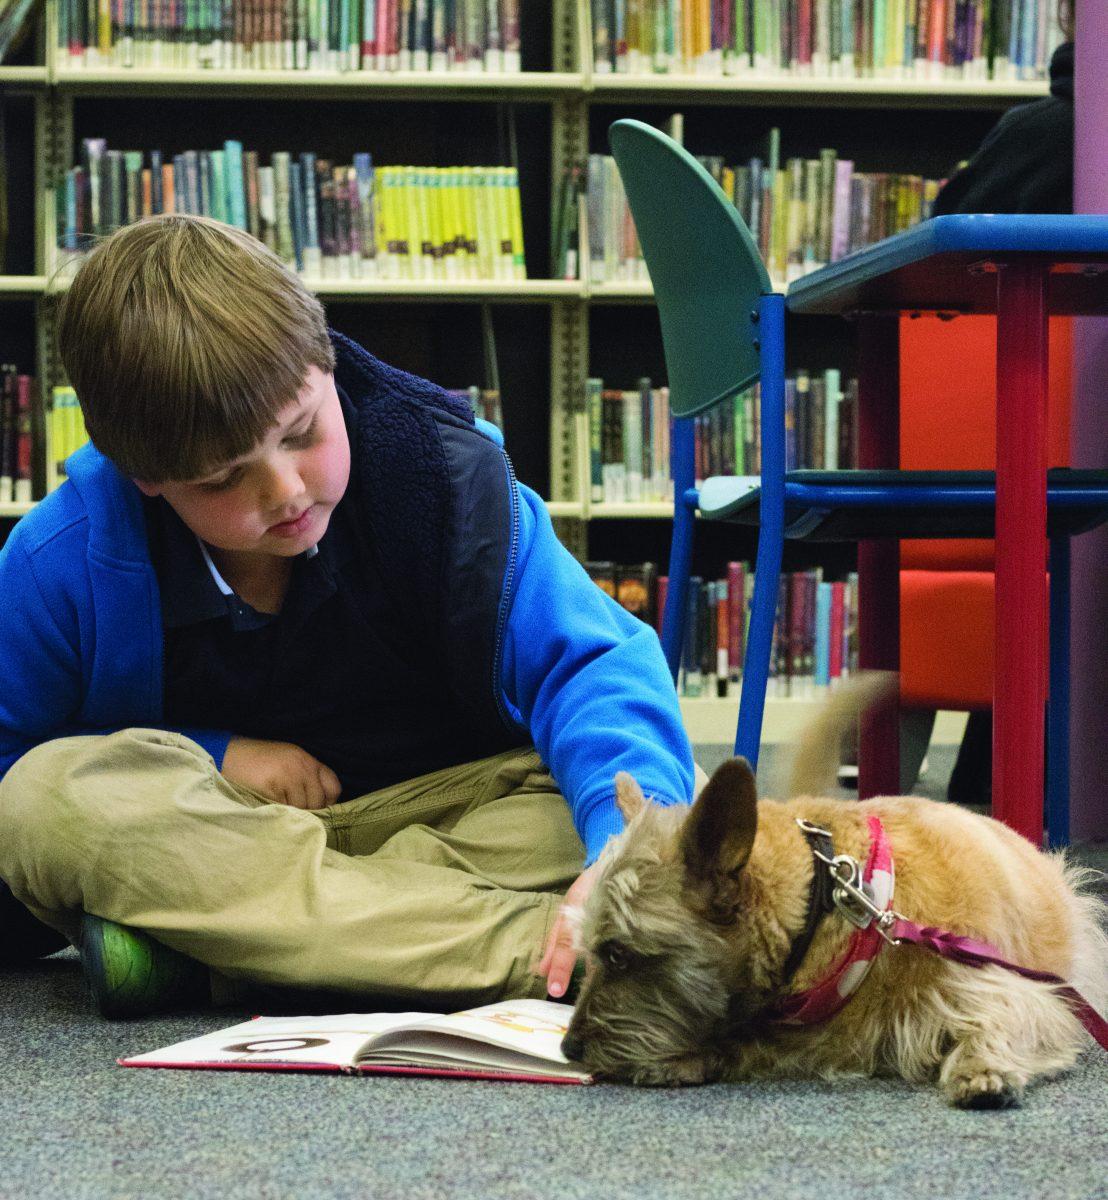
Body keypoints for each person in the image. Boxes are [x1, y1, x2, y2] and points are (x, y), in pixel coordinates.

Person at [0, 213, 695, 1016]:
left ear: (327, 364)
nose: (287, 491)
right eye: (225, 480)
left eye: (302, 433)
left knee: (641, 793)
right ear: (144, 476)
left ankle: (210, 951)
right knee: (42, 801)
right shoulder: (61, 559)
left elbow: (594, 665)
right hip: (216, 830)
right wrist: (215, 753)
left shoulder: (447, 484)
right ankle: (585, 955)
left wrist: (618, 853)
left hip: (442, 816)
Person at [927, 1, 1075, 807]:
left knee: (1043, 507)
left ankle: (990, 798)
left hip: (1024, 460)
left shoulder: (1036, 137)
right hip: (1066, 479)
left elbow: (931, 260)